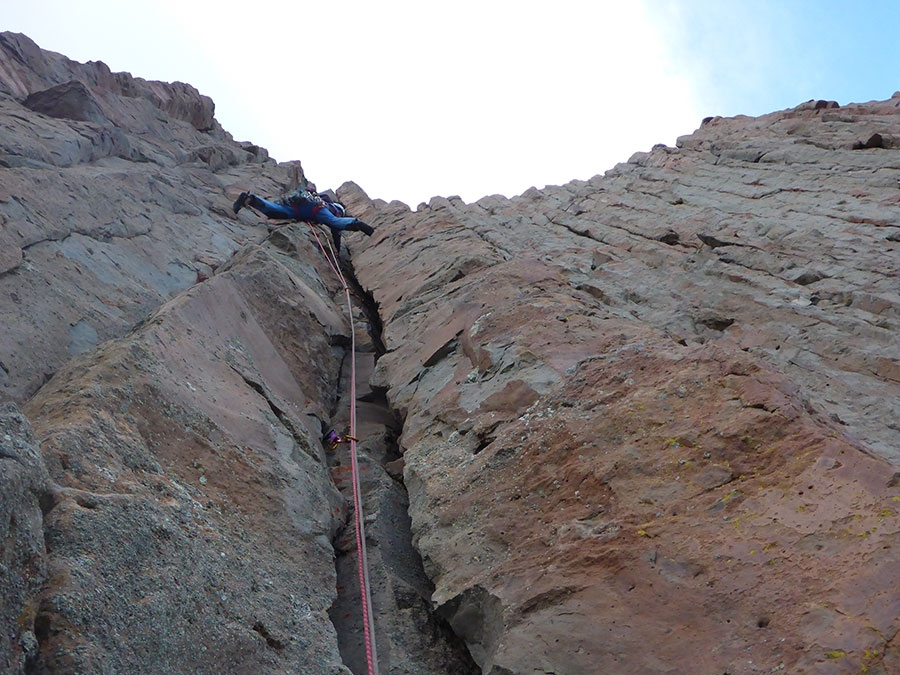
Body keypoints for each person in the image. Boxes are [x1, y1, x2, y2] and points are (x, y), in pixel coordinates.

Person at [232, 186, 374, 251]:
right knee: (334, 222)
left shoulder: (321, 197)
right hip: (315, 209)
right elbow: (336, 228)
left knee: (276, 212)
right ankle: (358, 223)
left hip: (299, 208)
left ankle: (250, 199)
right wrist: (337, 250)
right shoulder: (334, 209)